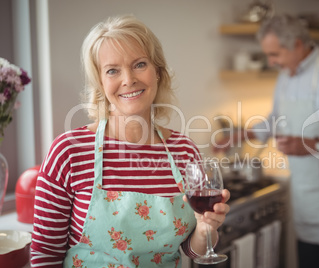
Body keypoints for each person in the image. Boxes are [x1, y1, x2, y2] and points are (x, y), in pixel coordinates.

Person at [31, 14, 230, 268]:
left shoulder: (184, 150)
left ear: (158, 72)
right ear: (101, 83)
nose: (128, 79)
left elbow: (191, 250)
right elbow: (44, 256)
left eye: (139, 64)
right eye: (112, 70)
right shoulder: (68, 152)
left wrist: (205, 231)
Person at [214, 14, 319, 268]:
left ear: (297, 44)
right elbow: (276, 120)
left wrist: (311, 144)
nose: (271, 61)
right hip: (307, 199)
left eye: (275, 54)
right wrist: (239, 135)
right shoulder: (285, 77)